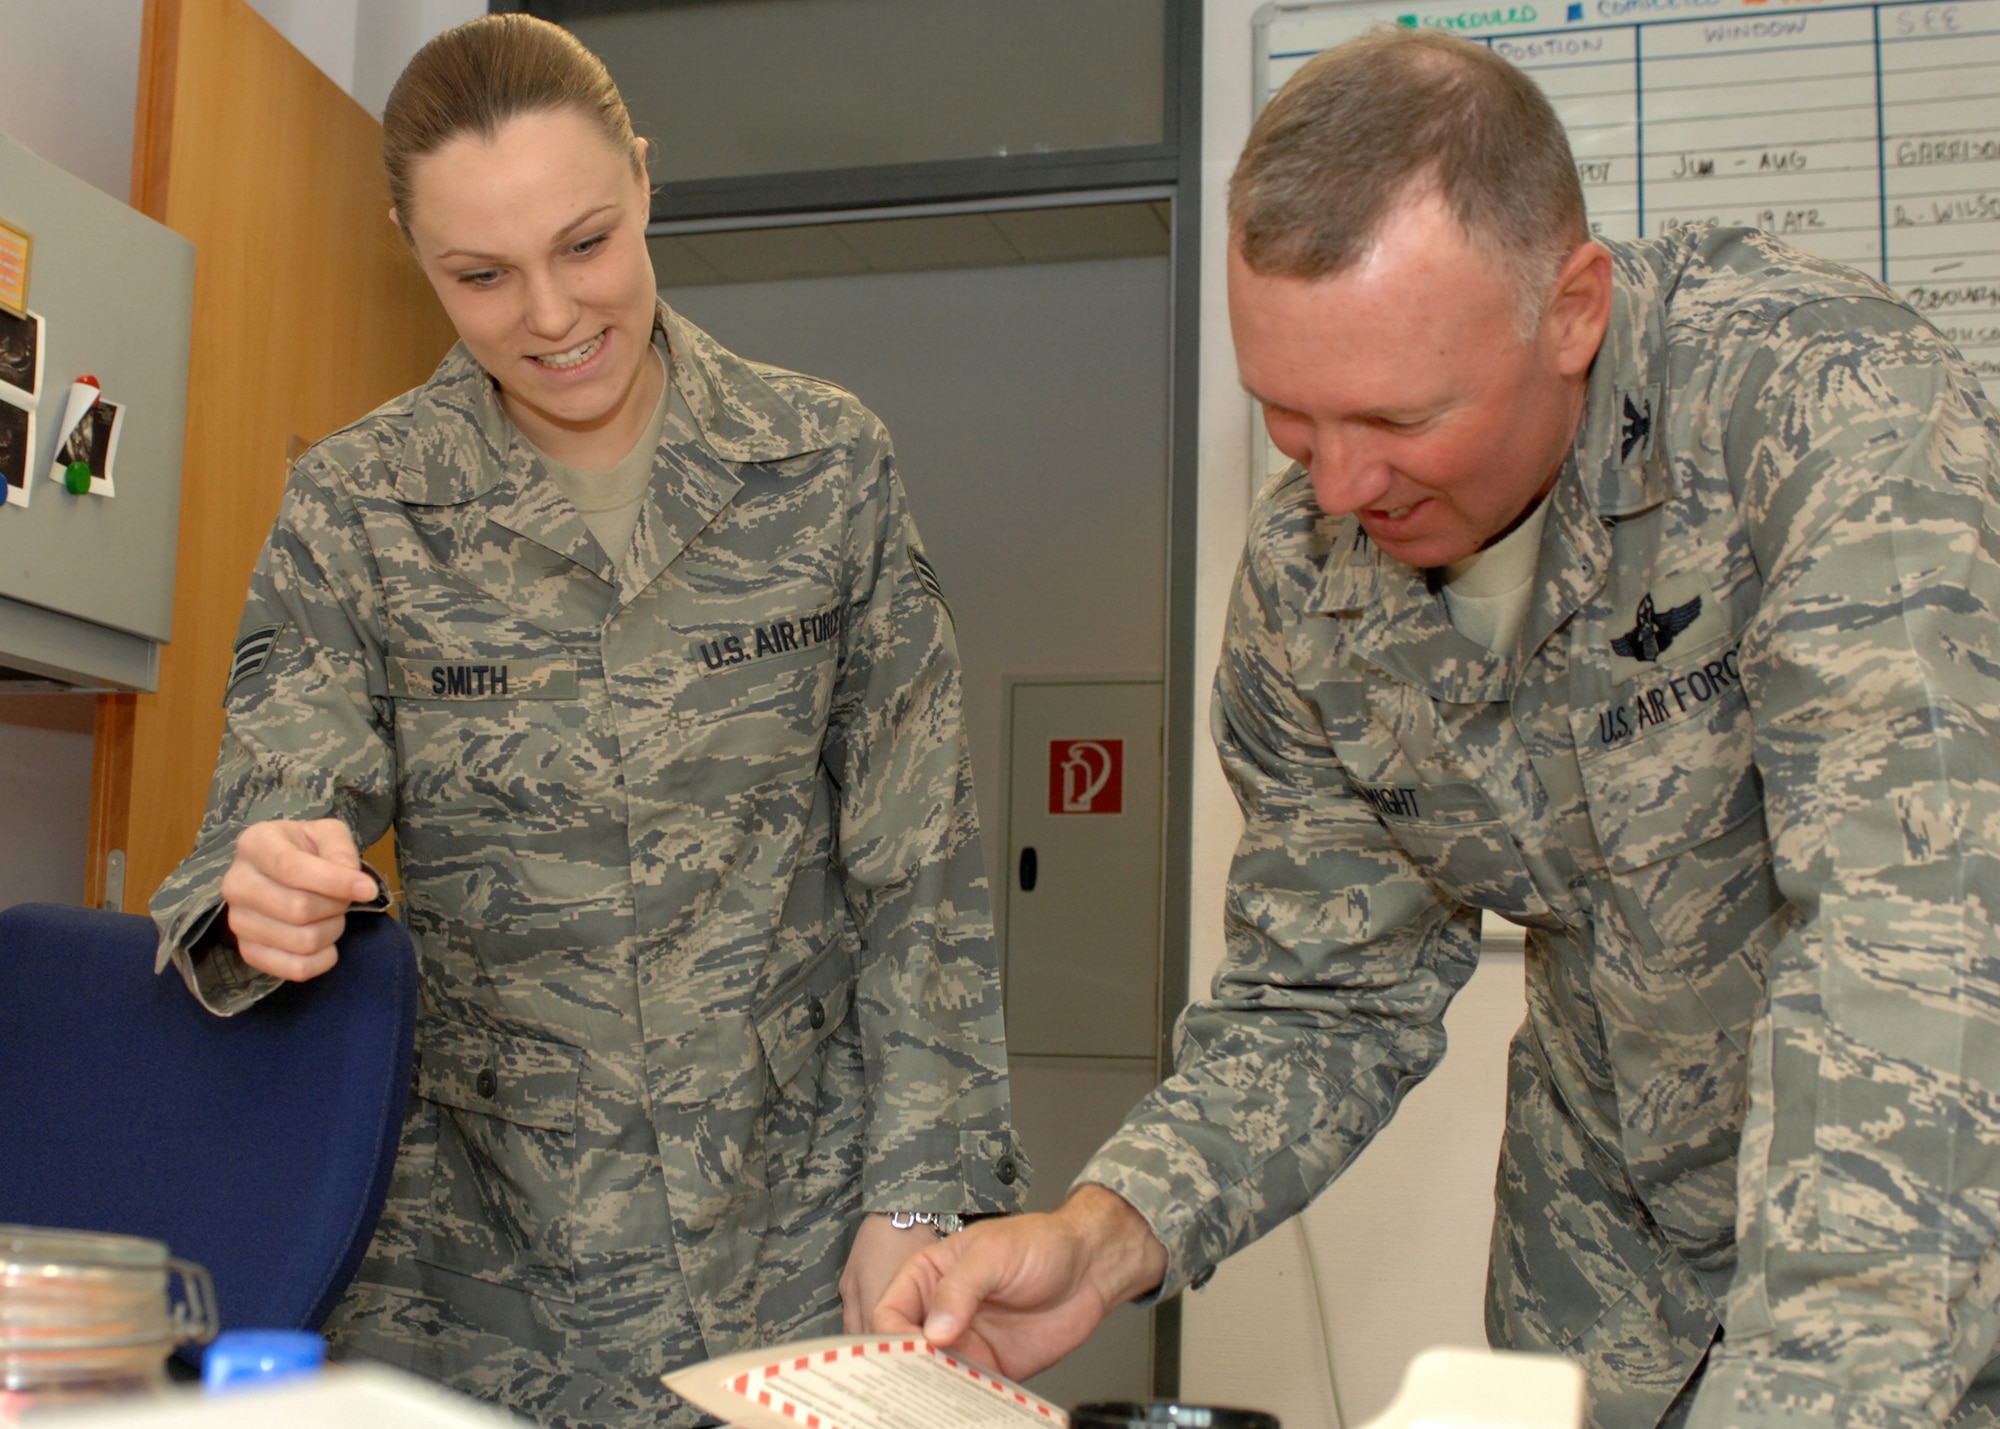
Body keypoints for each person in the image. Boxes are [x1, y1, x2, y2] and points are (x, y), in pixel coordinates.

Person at [877, 27, 2000, 1428]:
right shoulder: (1307, 584)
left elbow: (1920, 939)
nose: (1340, 485)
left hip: (1915, 1261)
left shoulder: (1822, 416)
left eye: (1398, 415)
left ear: (1573, 308)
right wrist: (1108, 1230)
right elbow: (1325, 992)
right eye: (1288, 415)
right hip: (1607, 1277)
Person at [148, 15, 1026, 1428]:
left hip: (801, 1261)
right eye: (479, 276)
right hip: (479, 1292)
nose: (550, 316)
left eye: (587, 244)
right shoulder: (361, 513)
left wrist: (922, 1194)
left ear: (646, 184)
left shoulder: (824, 468)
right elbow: (248, 842)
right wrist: (262, 900)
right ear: (411, 250)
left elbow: (919, 874)